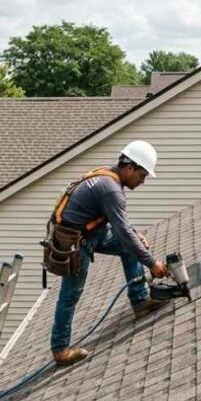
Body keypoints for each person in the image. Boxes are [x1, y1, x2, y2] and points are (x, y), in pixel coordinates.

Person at [49, 140, 169, 365]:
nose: (142, 182)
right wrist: (153, 264)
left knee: (131, 245)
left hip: (90, 232)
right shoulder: (111, 189)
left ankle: (140, 300)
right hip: (75, 241)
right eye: (142, 176)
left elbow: (118, 225)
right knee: (71, 293)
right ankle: (60, 349)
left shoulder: (109, 177)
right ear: (129, 168)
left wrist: (133, 235)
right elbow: (121, 230)